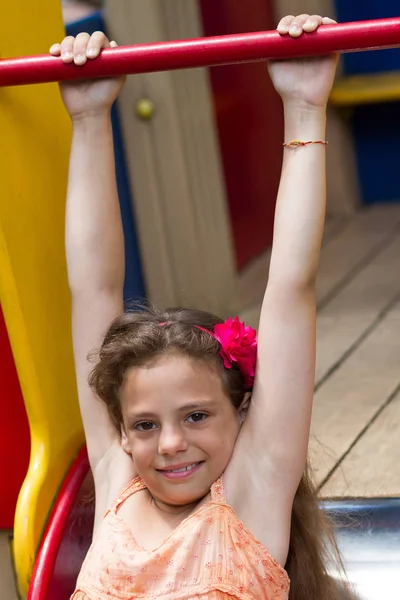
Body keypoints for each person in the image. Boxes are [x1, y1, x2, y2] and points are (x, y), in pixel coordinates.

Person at [50, 13, 347, 600]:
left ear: (241, 412)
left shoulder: (252, 490)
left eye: (195, 416)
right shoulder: (119, 478)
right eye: (143, 424)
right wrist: (88, 120)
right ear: (121, 429)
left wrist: (305, 107)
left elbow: (290, 285)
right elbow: (92, 287)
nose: (168, 444)